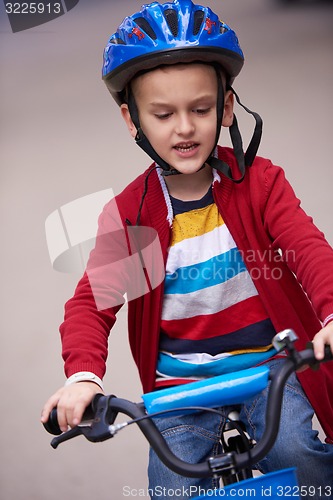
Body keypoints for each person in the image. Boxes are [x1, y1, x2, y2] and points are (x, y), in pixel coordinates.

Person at [41, 0, 333, 497]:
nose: (184, 127)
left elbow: (308, 248)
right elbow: (93, 304)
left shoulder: (258, 184)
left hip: (269, 370)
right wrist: (84, 377)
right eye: (163, 113)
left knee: (300, 456)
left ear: (226, 108)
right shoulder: (135, 214)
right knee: (172, 485)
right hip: (181, 392)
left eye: (200, 109)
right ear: (133, 121)